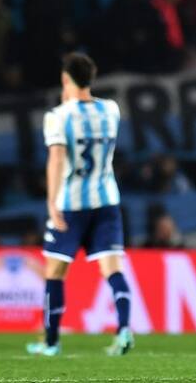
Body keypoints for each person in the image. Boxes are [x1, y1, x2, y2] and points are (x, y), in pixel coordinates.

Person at [26, 52, 134, 357]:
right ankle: (124, 329)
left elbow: (57, 158)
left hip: (71, 204)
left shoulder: (58, 116)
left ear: (65, 79)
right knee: (113, 270)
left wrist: (51, 203)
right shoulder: (111, 109)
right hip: (107, 199)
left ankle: (51, 342)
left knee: (55, 272)